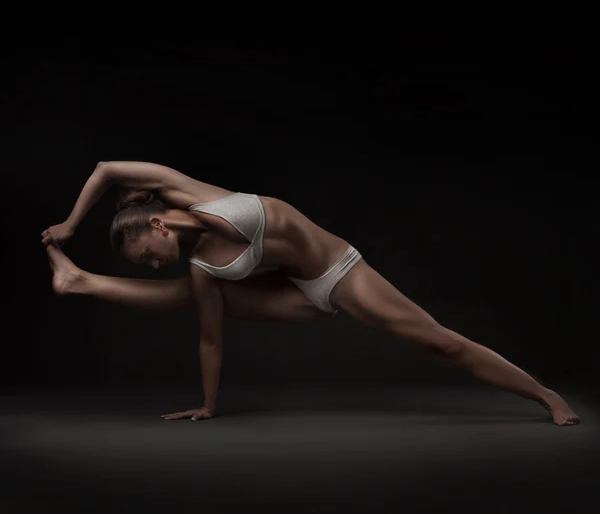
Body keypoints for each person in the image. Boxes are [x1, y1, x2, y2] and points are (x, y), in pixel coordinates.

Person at [42, 161, 580, 426]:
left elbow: (107, 169)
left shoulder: (190, 195)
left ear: (158, 226)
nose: (156, 264)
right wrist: (208, 404)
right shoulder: (202, 264)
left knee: (437, 342)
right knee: (193, 294)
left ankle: (545, 396)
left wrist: (70, 223)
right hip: (293, 295)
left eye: (148, 256)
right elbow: (210, 338)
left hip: (337, 273)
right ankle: (81, 281)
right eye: (147, 267)